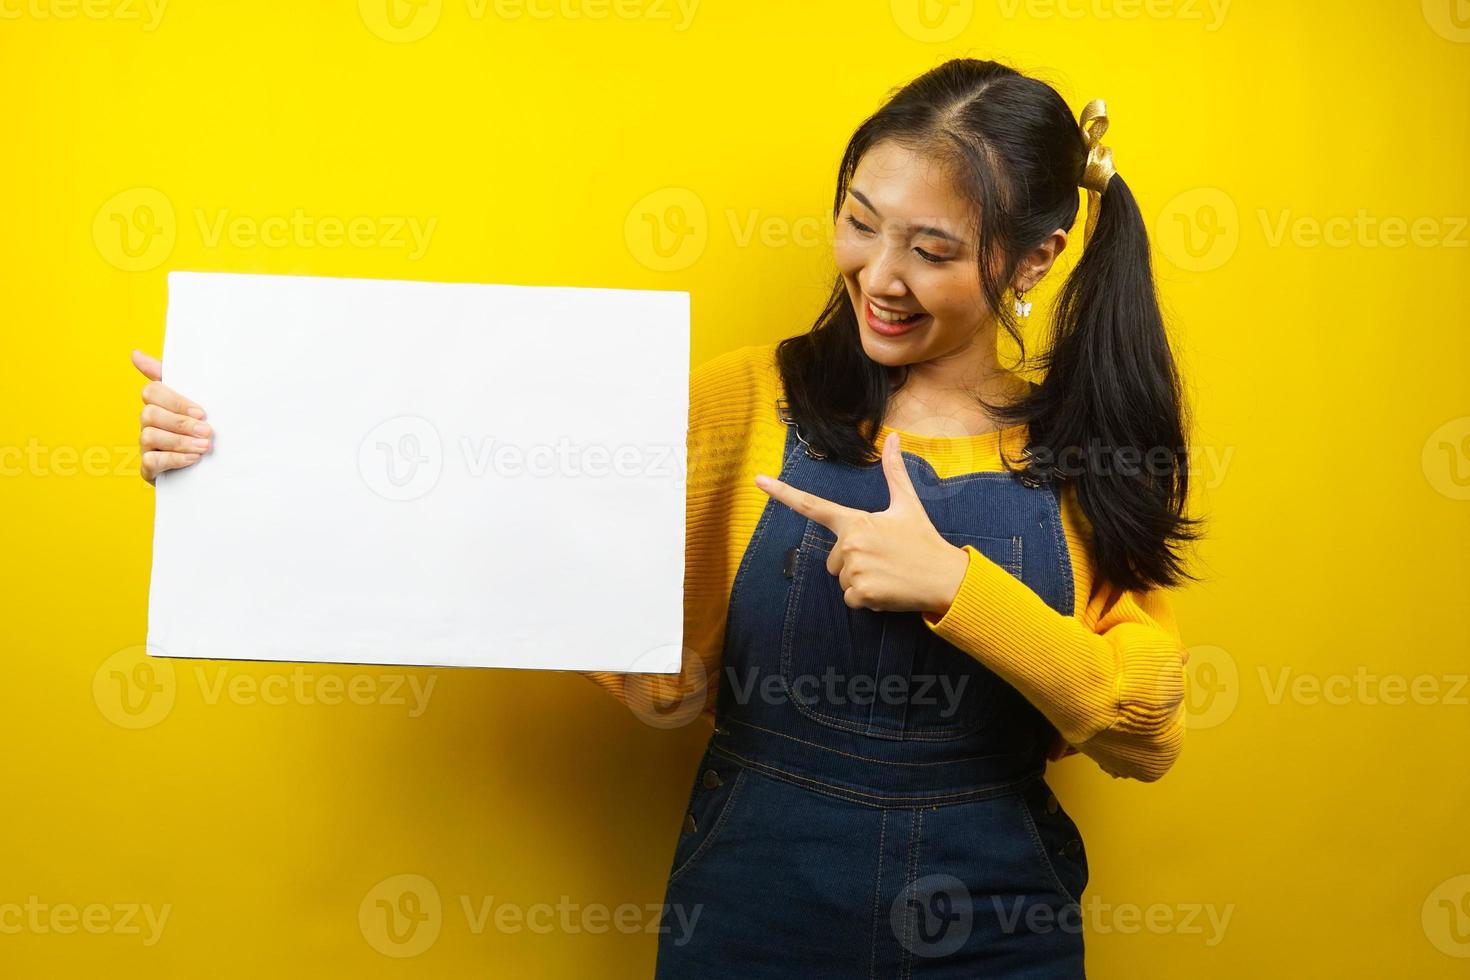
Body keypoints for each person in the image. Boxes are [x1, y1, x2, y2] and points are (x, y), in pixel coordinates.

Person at [132, 57, 1200, 977]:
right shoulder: (746, 401)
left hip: (999, 927)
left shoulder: (1083, 449)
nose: (878, 276)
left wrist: (961, 589)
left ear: (1033, 257)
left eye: (929, 249)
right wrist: (237, 447)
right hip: (754, 910)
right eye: (859, 223)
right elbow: (481, 486)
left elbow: (1141, 730)